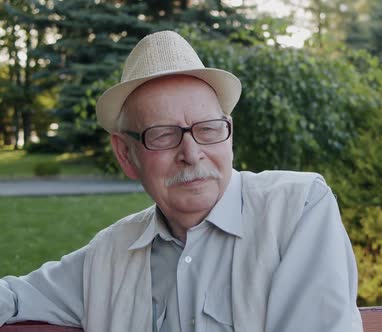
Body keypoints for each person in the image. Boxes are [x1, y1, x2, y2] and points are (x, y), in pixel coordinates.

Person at [0, 30, 362, 331]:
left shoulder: (297, 209)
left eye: (208, 129)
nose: (191, 152)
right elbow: (14, 297)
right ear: (127, 155)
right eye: (163, 135)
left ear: (230, 135)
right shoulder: (107, 255)